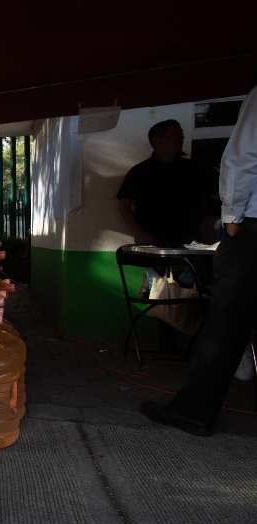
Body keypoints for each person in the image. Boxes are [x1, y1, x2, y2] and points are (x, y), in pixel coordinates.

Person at [141, 85, 257, 436]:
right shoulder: (143, 172)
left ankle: (194, 410)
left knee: (227, 318)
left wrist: (233, 218)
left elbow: (243, 157)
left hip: (250, 226)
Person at [117, 119, 217, 247]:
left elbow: (214, 199)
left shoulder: (195, 169)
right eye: (175, 136)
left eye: (182, 136)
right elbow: (123, 207)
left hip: (193, 242)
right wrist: (140, 233)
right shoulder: (140, 172)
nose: (180, 140)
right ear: (157, 140)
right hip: (154, 243)